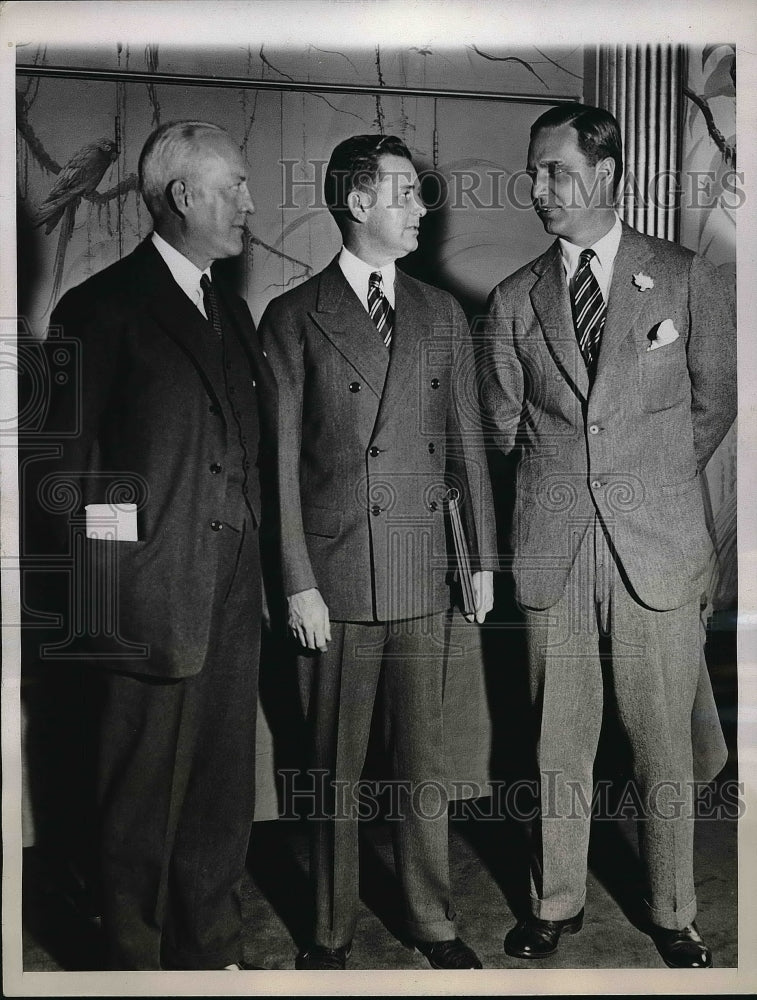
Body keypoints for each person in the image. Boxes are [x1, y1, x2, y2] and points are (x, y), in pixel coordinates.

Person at [480, 103, 736, 968]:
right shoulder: (514, 298)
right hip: (555, 549)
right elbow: (504, 432)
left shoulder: (687, 277)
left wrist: (647, 484)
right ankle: (553, 901)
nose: (538, 187)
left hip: (655, 546)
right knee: (556, 741)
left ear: (608, 173)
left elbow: (714, 403)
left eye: (554, 169)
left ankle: (672, 910)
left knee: (663, 738)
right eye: (533, 170)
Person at [38, 120, 276, 970]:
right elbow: (57, 473)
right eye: (236, 187)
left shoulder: (230, 306)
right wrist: (125, 564)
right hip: (146, 604)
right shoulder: (98, 308)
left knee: (219, 793)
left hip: (229, 599)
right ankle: (133, 968)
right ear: (183, 197)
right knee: (136, 805)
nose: (252, 203)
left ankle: (207, 949)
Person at [259, 133, 496, 970]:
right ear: (357, 204)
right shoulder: (293, 317)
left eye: (419, 194)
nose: (419, 208)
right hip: (335, 577)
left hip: (421, 571)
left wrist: (479, 561)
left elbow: (466, 445)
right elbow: (277, 466)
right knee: (332, 772)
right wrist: (296, 582)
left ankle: (432, 919)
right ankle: (328, 929)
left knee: (423, 768)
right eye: (403, 194)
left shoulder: (439, 313)